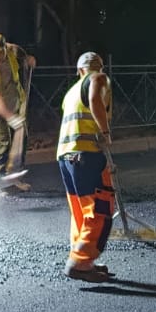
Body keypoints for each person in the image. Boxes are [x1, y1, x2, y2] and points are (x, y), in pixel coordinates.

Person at [57, 51, 115, 284]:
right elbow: (93, 99)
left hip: (65, 156)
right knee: (99, 209)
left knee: (80, 212)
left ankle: (82, 259)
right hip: (86, 154)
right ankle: (80, 261)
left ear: (79, 70)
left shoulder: (71, 91)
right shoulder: (98, 78)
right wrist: (105, 132)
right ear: (97, 67)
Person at [0, 34, 33, 192]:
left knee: (21, 142)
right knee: (3, 146)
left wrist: (28, 59)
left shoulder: (10, 50)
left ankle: (15, 178)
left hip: (16, 104)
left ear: (4, 48)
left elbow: (19, 51)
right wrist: (11, 118)